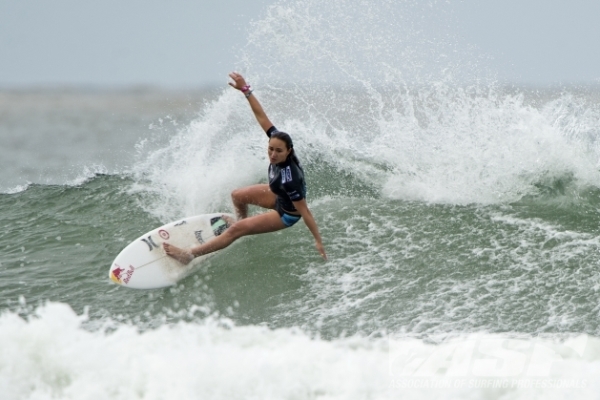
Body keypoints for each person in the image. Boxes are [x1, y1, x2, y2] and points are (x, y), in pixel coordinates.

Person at [163, 72, 327, 264]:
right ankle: (242, 222)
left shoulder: (290, 179)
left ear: (289, 151)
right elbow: (261, 116)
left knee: (235, 230)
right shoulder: (277, 144)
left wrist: (318, 240)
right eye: (270, 149)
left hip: (286, 214)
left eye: (278, 151)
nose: (273, 154)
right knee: (237, 195)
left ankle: (189, 255)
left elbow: (305, 212)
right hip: (278, 195)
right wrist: (245, 90)